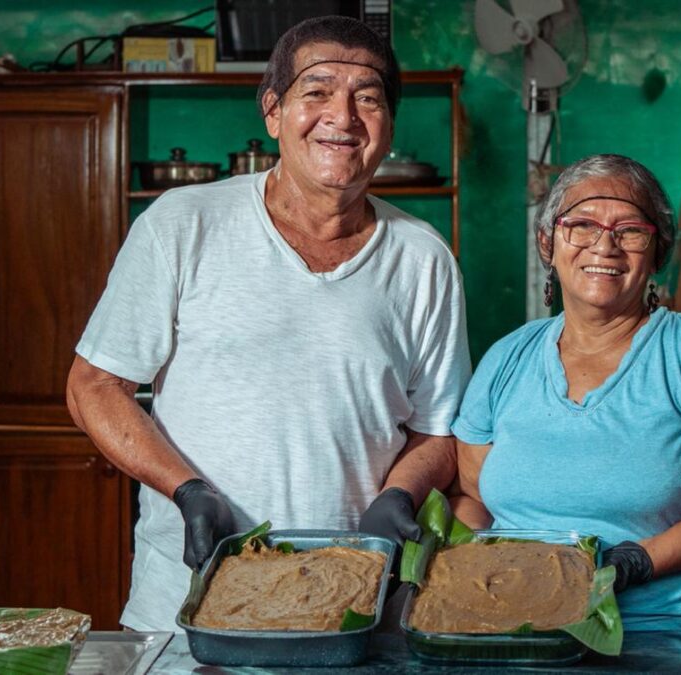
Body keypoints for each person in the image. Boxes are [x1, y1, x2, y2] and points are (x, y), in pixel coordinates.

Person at [66, 16, 470, 631]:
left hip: (353, 601)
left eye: (368, 97)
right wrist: (186, 490)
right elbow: (94, 386)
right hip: (191, 601)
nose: (344, 115)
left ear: (388, 126)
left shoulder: (423, 257)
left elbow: (438, 429)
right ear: (273, 112)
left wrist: (399, 496)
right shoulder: (183, 223)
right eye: (317, 91)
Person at [451, 154, 681, 632]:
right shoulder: (507, 359)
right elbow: (476, 497)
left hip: (666, 633)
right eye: (582, 225)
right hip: (520, 629)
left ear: (657, 251)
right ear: (548, 243)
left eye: (630, 230)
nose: (604, 246)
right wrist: (459, 568)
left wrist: (637, 562)